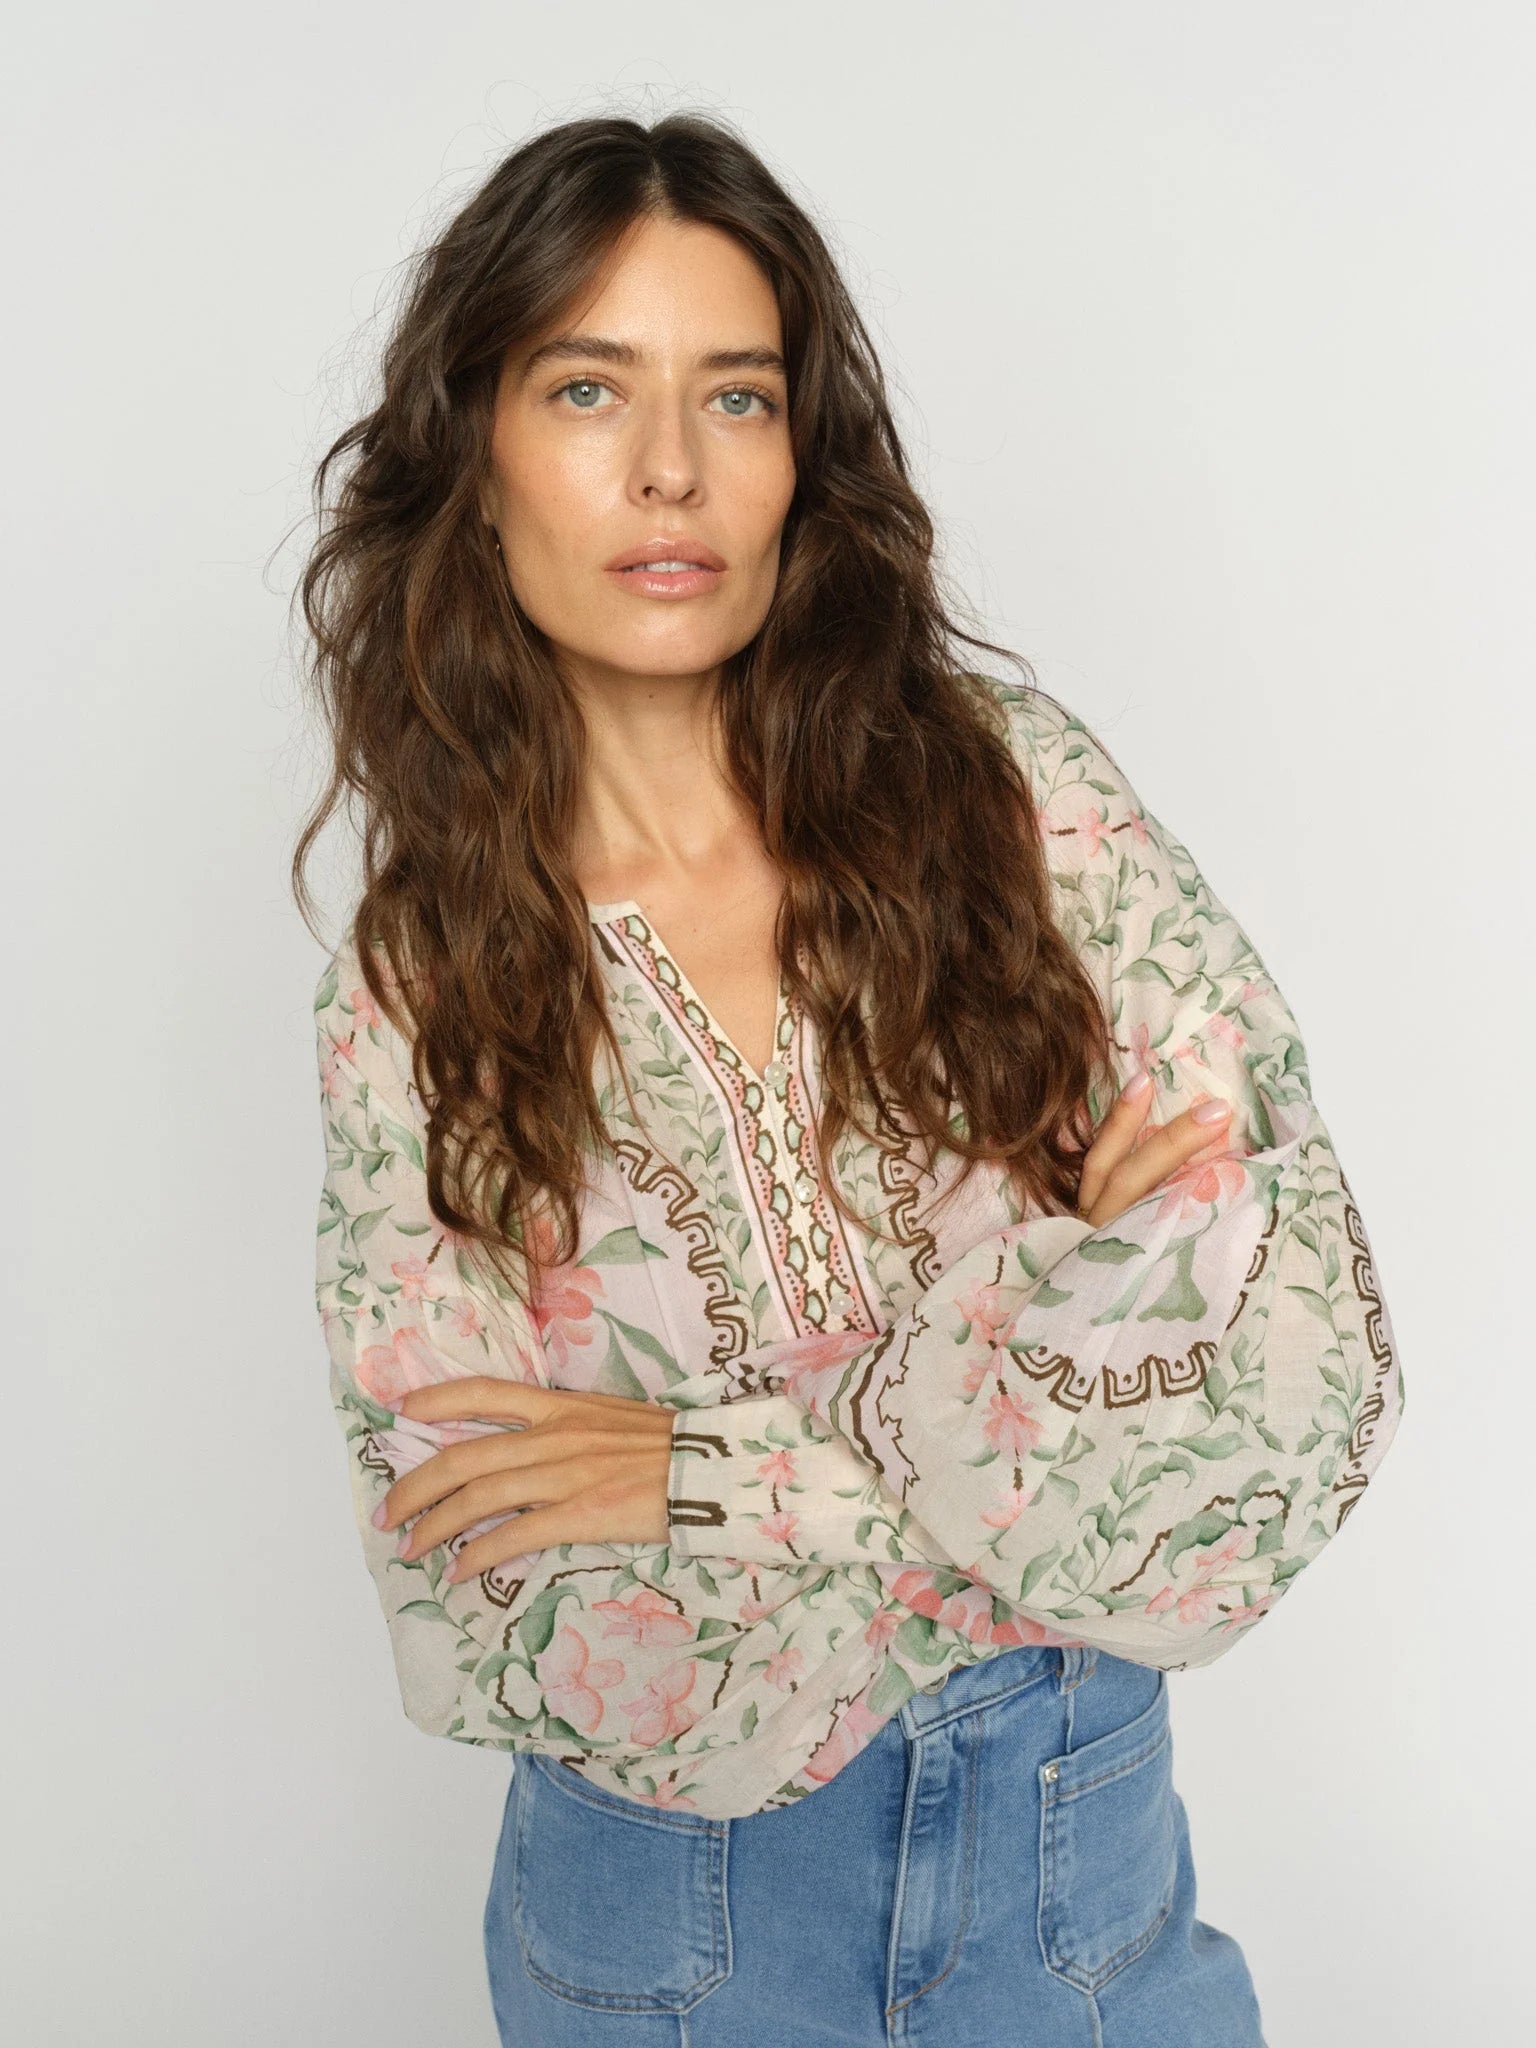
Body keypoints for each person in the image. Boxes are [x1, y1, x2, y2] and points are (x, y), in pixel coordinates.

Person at [295, 112, 1404, 2048]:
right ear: (471, 457)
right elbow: (483, 1549)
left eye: (737, 393)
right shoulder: (430, 967)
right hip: (673, 1906)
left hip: (1074, 1850)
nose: (669, 468)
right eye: (585, 387)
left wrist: (708, 1471)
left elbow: (1277, 1402)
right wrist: (1039, 1347)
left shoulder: (1010, 798)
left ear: (804, 452)